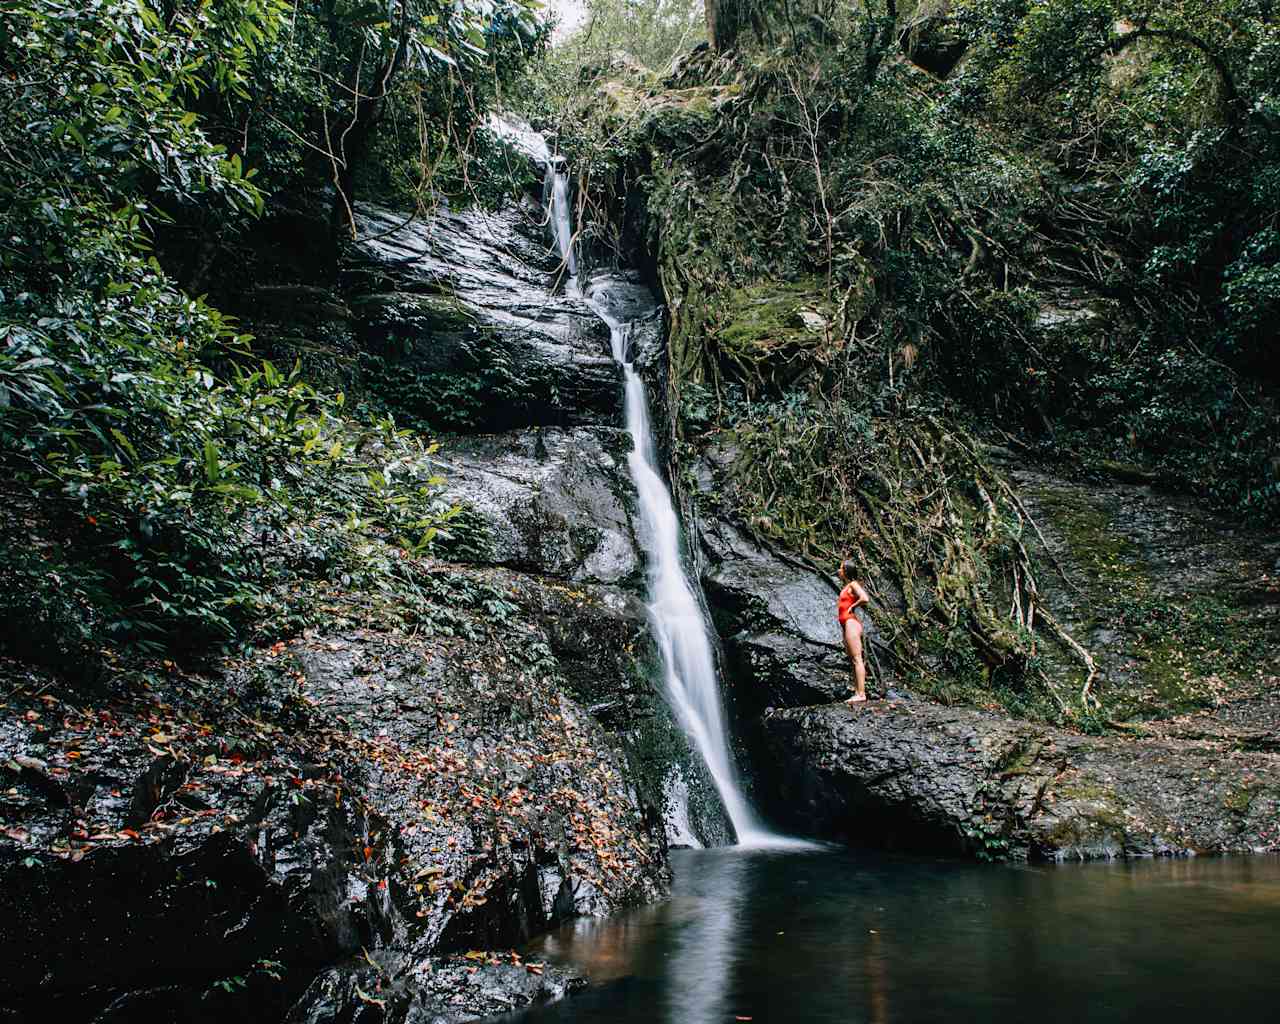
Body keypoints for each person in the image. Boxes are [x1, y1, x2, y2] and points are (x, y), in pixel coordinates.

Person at [837, 560, 870, 703]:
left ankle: (861, 694)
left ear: (846, 571)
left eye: (841, 568)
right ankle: (857, 692)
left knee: (857, 659)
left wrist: (853, 606)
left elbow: (865, 598)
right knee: (852, 660)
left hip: (851, 622)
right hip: (846, 623)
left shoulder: (853, 584)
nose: (838, 570)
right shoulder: (846, 586)